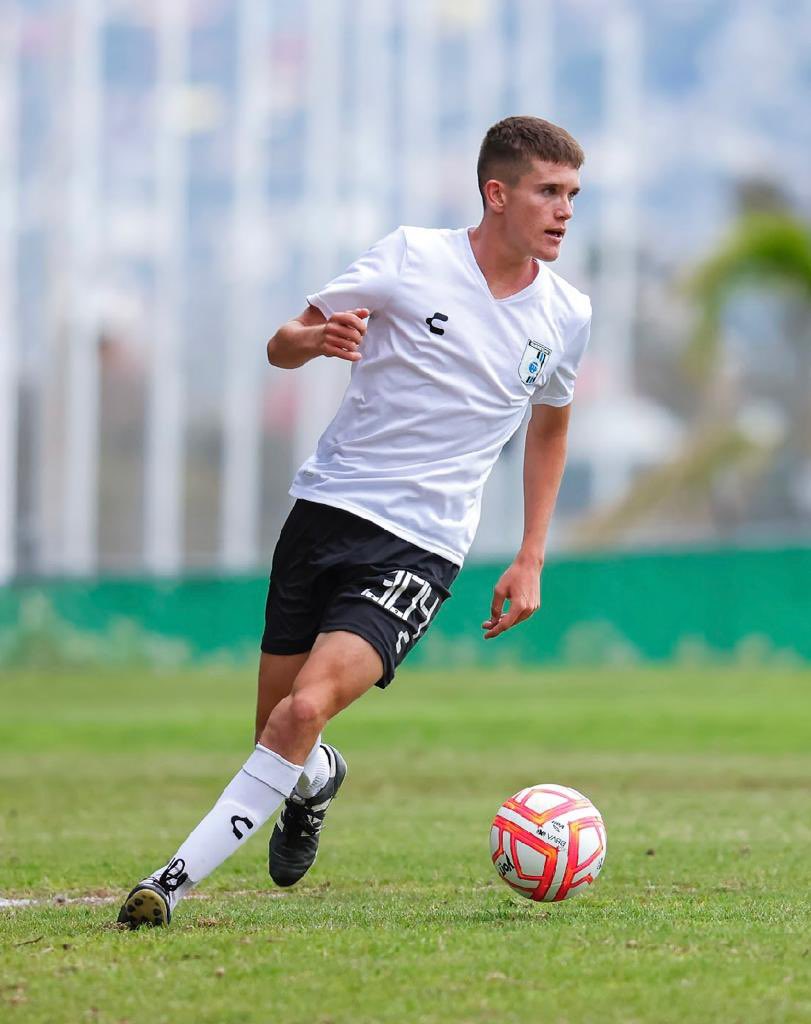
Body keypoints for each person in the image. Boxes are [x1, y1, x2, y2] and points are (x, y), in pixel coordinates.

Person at [117, 115, 591, 929]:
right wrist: (317, 338)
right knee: (275, 732)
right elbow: (282, 340)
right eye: (548, 192)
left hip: (421, 546)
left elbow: (550, 424)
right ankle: (316, 779)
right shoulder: (411, 255)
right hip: (325, 513)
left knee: (300, 713)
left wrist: (531, 555)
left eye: (572, 195)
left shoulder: (566, 315)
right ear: (496, 193)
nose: (564, 211)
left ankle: (167, 884)